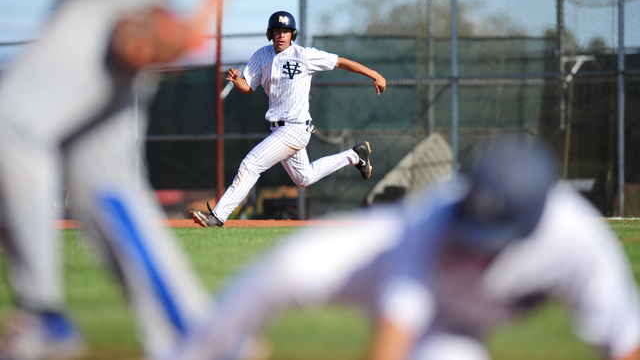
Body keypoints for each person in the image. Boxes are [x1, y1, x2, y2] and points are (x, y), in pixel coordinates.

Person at [176, 136, 640, 360]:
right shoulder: (438, 219)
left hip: (455, 326)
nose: (477, 246)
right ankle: (195, 351)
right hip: (387, 250)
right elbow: (393, 333)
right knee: (293, 266)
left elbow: (624, 342)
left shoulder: (578, 243)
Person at [0, 0, 220, 359]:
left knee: (12, 122)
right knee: (100, 184)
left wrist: (205, 9)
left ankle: (43, 316)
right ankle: (199, 335)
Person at [190, 10, 387, 228]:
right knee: (304, 178)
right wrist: (237, 79)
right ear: (270, 34)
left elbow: (339, 62)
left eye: (285, 31)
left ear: (292, 34)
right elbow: (248, 87)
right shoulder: (262, 56)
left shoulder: (303, 55)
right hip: (279, 130)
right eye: (277, 30)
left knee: (250, 164)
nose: (281, 34)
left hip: (295, 128)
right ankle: (355, 155)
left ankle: (217, 217)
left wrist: (374, 74)